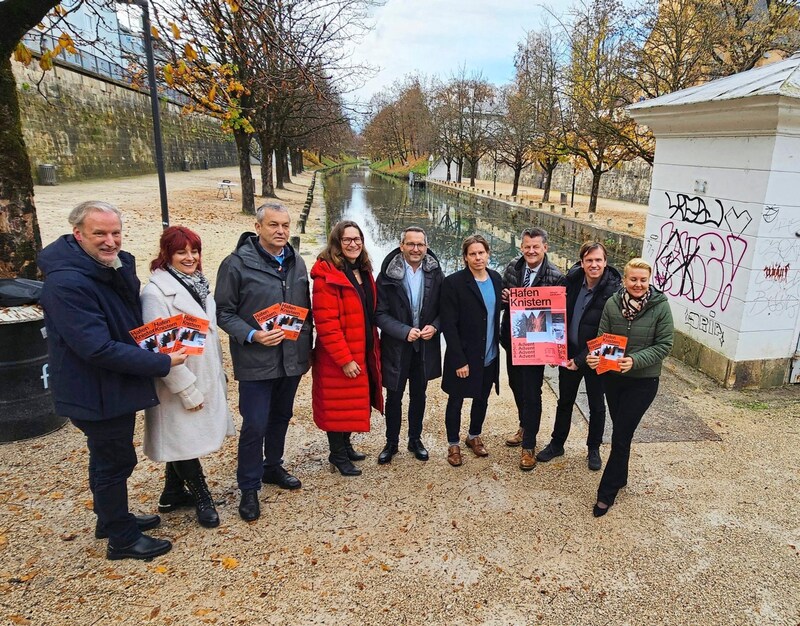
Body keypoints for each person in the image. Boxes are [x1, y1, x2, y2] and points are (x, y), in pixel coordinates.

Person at [38, 201, 187, 560]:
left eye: (115, 233)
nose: (110, 241)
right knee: (115, 460)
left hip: (109, 386)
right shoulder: (67, 283)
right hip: (93, 390)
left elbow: (127, 316)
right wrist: (161, 362)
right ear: (78, 235)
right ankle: (122, 538)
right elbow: (98, 348)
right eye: (100, 234)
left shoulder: (107, 265)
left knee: (106, 456)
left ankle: (110, 518)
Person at [216, 202, 312, 522]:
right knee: (255, 422)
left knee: (281, 415)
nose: (281, 231)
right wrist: (251, 335)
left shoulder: (297, 262)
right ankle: (248, 486)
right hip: (256, 358)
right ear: (258, 227)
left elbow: (304, 309)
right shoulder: (235, 264)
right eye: (273, 225)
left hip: (290, 358)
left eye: (285, 225)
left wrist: (306, 350)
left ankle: (273, 466)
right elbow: (224, 313)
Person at [141, 226, 235, 529]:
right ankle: (201, 496)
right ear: (167, 254)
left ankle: (171, 493)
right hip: (178, 380)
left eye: (194, 251)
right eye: (182, 252)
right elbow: (159, 348)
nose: (190, 257)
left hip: (203, 370)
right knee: (181, 436)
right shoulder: (156, 293)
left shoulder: (200, 284)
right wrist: (186, 390)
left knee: (181, 439)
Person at [586, 258, 674, 517]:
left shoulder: (660, 307)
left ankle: (606, 493)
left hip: (643, 381)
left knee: (621, 436)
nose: (638, 284)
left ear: (649, 281)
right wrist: (595, 357)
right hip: (613, 378)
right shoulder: (613, 303)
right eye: (633, 279)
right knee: (622, 432)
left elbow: (665, 345)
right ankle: (621, 476)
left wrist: (635, 360)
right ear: (624, 280)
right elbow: (603, 338)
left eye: (643, 280)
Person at [537, 242, 621, 471]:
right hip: (570, 354)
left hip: (598, 356)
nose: (594, 265)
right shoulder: (571, 281)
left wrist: (582, 358)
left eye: (598, 260)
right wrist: (554, 348)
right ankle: (557, 443)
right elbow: (551, 309)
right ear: (582, 262)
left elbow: (612, 333)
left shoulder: (615, 291)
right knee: (564, 401)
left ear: (605, 262)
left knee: (597, 404)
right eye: (589, 260)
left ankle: (593, 448)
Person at [310, 220, 383, 476]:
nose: (353, 244)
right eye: (347, 240)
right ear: (337, 243)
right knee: (337, 405)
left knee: (354, 401)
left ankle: (346, 446)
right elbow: (326, 324)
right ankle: (337, 455)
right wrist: (344, 359)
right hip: (338, 355)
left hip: (361, 347)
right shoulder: (327, 275)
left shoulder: (362, 269)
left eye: (357, 239)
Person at [375, 226, 444, 464]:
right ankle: (391, 442)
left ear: (426, 246)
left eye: (420, 245)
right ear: (401, 245)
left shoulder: (435, 271)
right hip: (397, 346)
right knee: (394, 396)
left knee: (419, 394)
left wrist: (435, 326)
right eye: (411, 244)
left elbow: (444, 308)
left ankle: (415, 439)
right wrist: (404, 331)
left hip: (424, 346)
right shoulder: (387, 274)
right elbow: (380, 313)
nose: (416, 249)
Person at [499, 227, 565, 471]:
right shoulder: (513, 267)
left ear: (545, 247)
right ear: (521, 247)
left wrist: (555, 351)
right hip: (512, 341)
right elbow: (500, 300)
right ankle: (524, 425)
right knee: (515, 386)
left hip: (537, 348)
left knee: (532, 393)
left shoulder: (556, 277)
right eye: (527, 246)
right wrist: (503, 297)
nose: (531, 251)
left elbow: (559, 318)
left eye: (536, 246)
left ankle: (529, 446)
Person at [440, 234, 502, 467]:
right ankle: (453, 443)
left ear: (488, 254)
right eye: (473, 254)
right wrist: (458, 360)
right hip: (464, 355)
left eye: (481, 253)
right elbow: (449, 324)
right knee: (456, 400)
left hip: (488, 355)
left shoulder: (496, 279)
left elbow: (495, 310)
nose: (478, 258)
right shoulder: (453, 282)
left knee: (481, 399)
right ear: (465, 257)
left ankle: (474, 435)